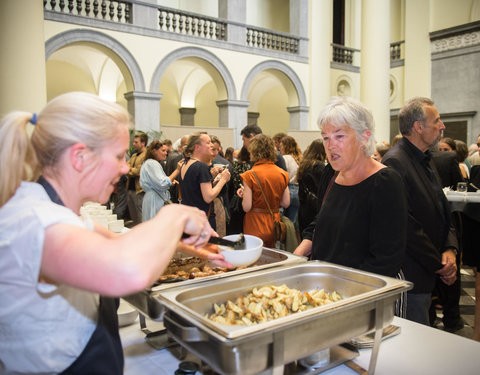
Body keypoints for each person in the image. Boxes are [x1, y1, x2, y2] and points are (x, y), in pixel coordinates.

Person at [0, 92, 230, 375]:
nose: (125, 168)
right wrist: (175, 215)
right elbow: (128, 271)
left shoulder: (61, 213)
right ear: (79, 157)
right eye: (119, 156)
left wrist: (189, 248)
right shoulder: (36, 221)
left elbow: (122, 243)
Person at [294, 96, 407, 281]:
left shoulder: (385, 182)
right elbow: (321, 221)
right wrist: (299, 254)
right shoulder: (331, 173)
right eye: (325, 138)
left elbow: (385, 258)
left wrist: (342, 290)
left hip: (360, 292)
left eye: (339, 136)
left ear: (364, 137)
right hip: (325, 284)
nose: (331, 146)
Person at [382, 97, 458, 326]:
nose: (442, 126)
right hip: (411, 273)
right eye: (437, 121)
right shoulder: (396, 162)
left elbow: (443, 209)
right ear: (418, 127)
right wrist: (440, 264)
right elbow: (406, 226)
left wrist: (450, 248)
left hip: (428, 270)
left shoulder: (426, 158)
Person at [238, 134, 290, 248]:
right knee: (271, 256)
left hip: (254, 223)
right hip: (274, 222)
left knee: (254, 257)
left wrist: (244, 196)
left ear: (254, 151)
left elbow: (246, 207)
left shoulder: (250, 175)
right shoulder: (282, 173)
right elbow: (286, 203)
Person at [179, 132, 231, 230]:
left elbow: (195, 189)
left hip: (189, 220)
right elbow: (208, 197)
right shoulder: (201, 166)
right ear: (197, 147)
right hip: (202, 222)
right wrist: (223, 180)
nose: (211, 145)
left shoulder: (184, 164)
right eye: (208, 143)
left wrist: (213, 181)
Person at [140, 140, 181, 221]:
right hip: (155, 200)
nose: (166, 153)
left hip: (152, 198)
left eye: (166, 151)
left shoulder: (150, 163)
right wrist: (177, 170)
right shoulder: (152, 164)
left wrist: (170, 181)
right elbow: (162, 183)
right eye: (163, 150)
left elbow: (157, 182)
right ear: (154, 151)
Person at [296, 139, 326, 236]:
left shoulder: (304, 164)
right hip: (315, 208)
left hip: (304, 207)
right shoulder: (320, 167)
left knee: (304, 235)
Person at [226, 146, 251, 235]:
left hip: (235, 199)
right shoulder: (250, 167)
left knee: (235, 227)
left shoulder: (235, 166)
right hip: (246, 197)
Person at [279, 135, 302, 223]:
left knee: (284, 222)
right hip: (297, 191)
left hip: (288, 190)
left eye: (281, 147)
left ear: (285, 146)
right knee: (292, 222)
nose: (279, 150)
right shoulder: (299, 159)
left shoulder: (285, 158)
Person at [126, 132, 147, 226]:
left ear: (143, 143)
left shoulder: (146, 155)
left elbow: (138, 171)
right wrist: (129, 169)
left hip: (139, 191)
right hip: (130, 189)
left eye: (136, 142)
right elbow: (125, 166)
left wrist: (128, 169)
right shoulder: (134, 155)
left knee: (140, 218)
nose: (133, 144)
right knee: (134, 218)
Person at [166, 135, 188, 203]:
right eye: (185, 145)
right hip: (176, 199)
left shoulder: (196, 161)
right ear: (181, 147)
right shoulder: (175, 159)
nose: (188, 148)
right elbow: (170, 178)